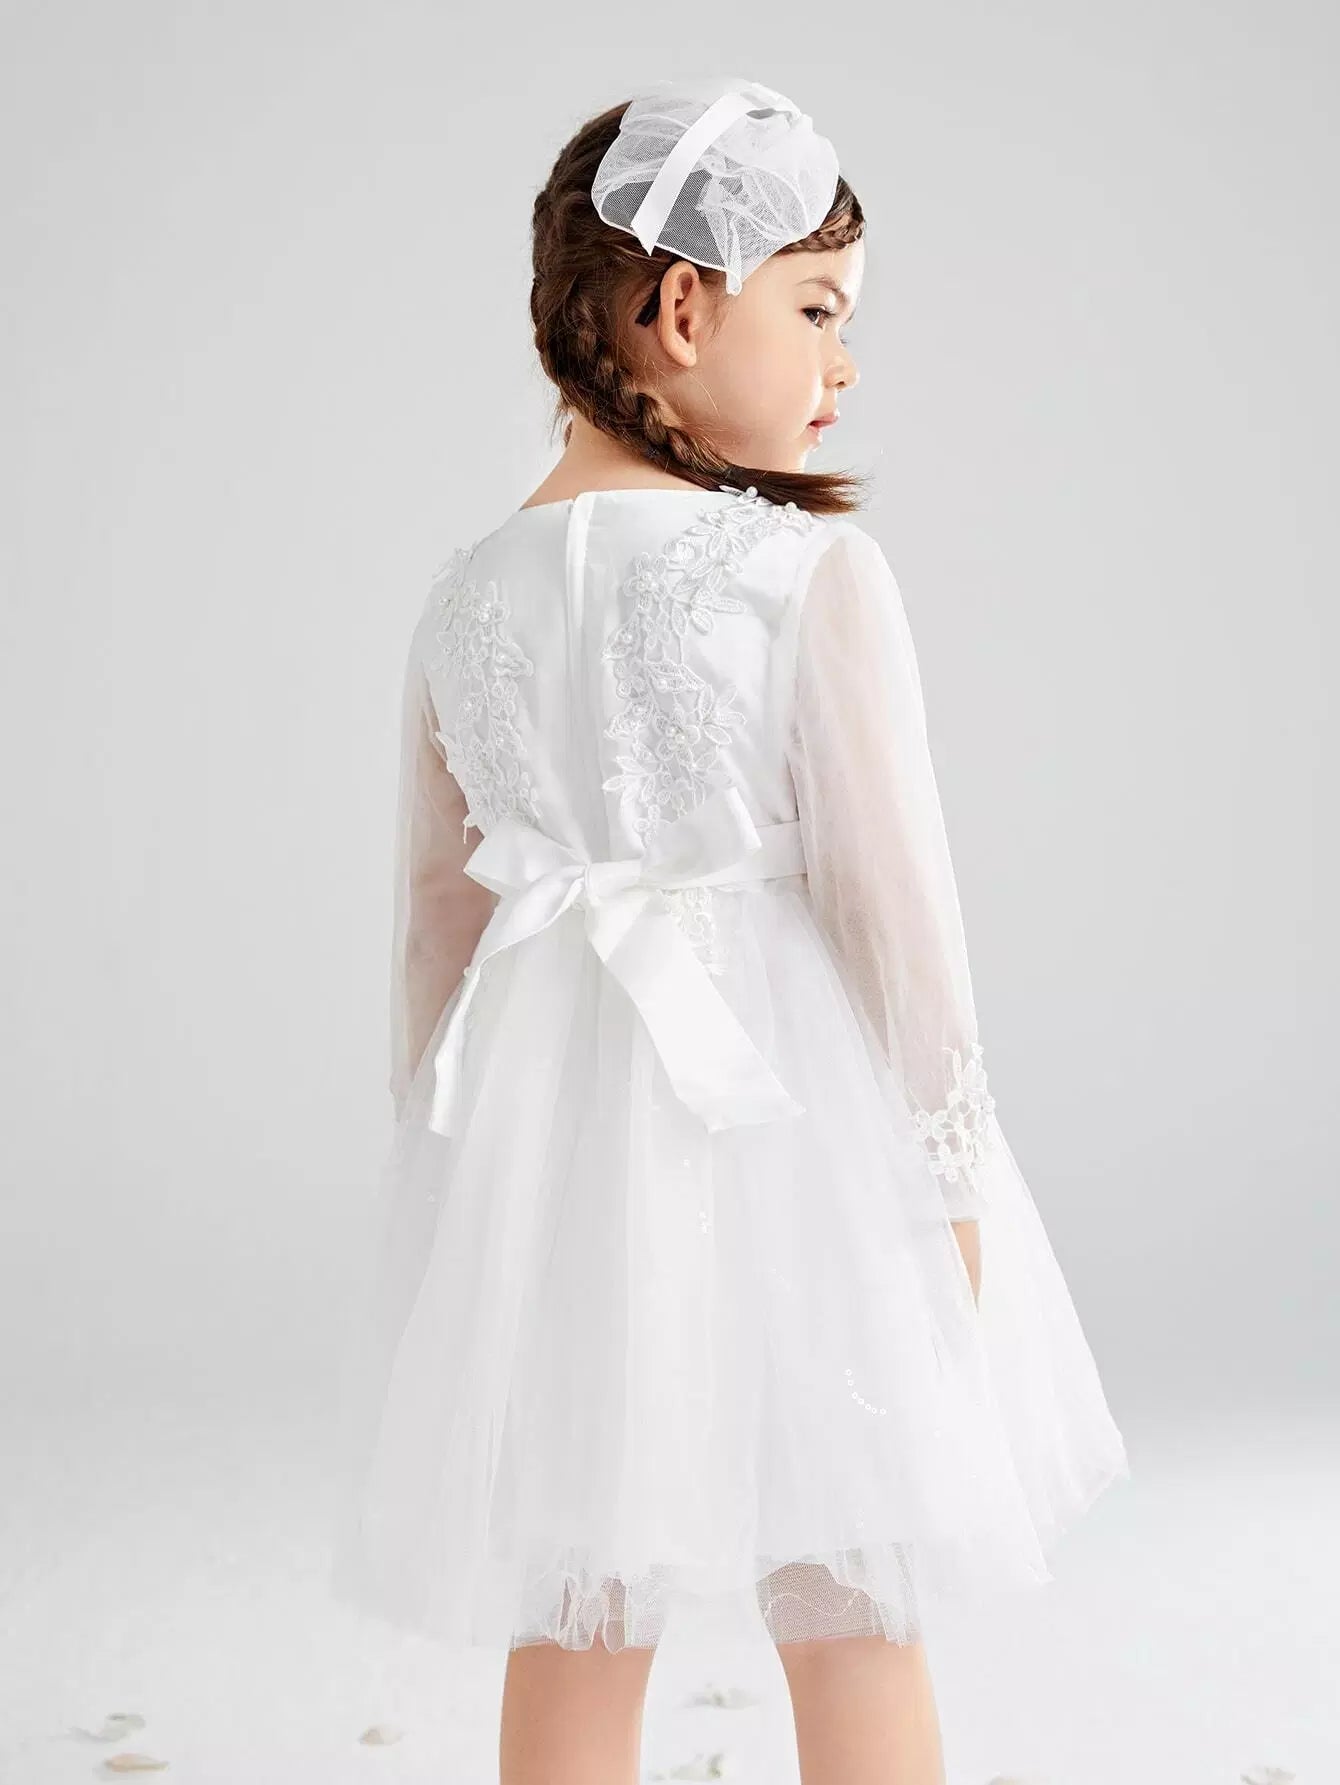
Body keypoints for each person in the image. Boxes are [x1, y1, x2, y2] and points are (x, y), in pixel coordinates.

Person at [330, 74, 1130, 1785]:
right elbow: (899, 917)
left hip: (557, 1154)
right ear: (684, 309)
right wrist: (950, 1182)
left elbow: (433, 930)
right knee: (849, 1591)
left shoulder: (462, 594)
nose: (848, 364)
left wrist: (454, 1178)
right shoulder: (805, 576)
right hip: (794, 1138)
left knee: (577, 1598)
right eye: (820, 310)